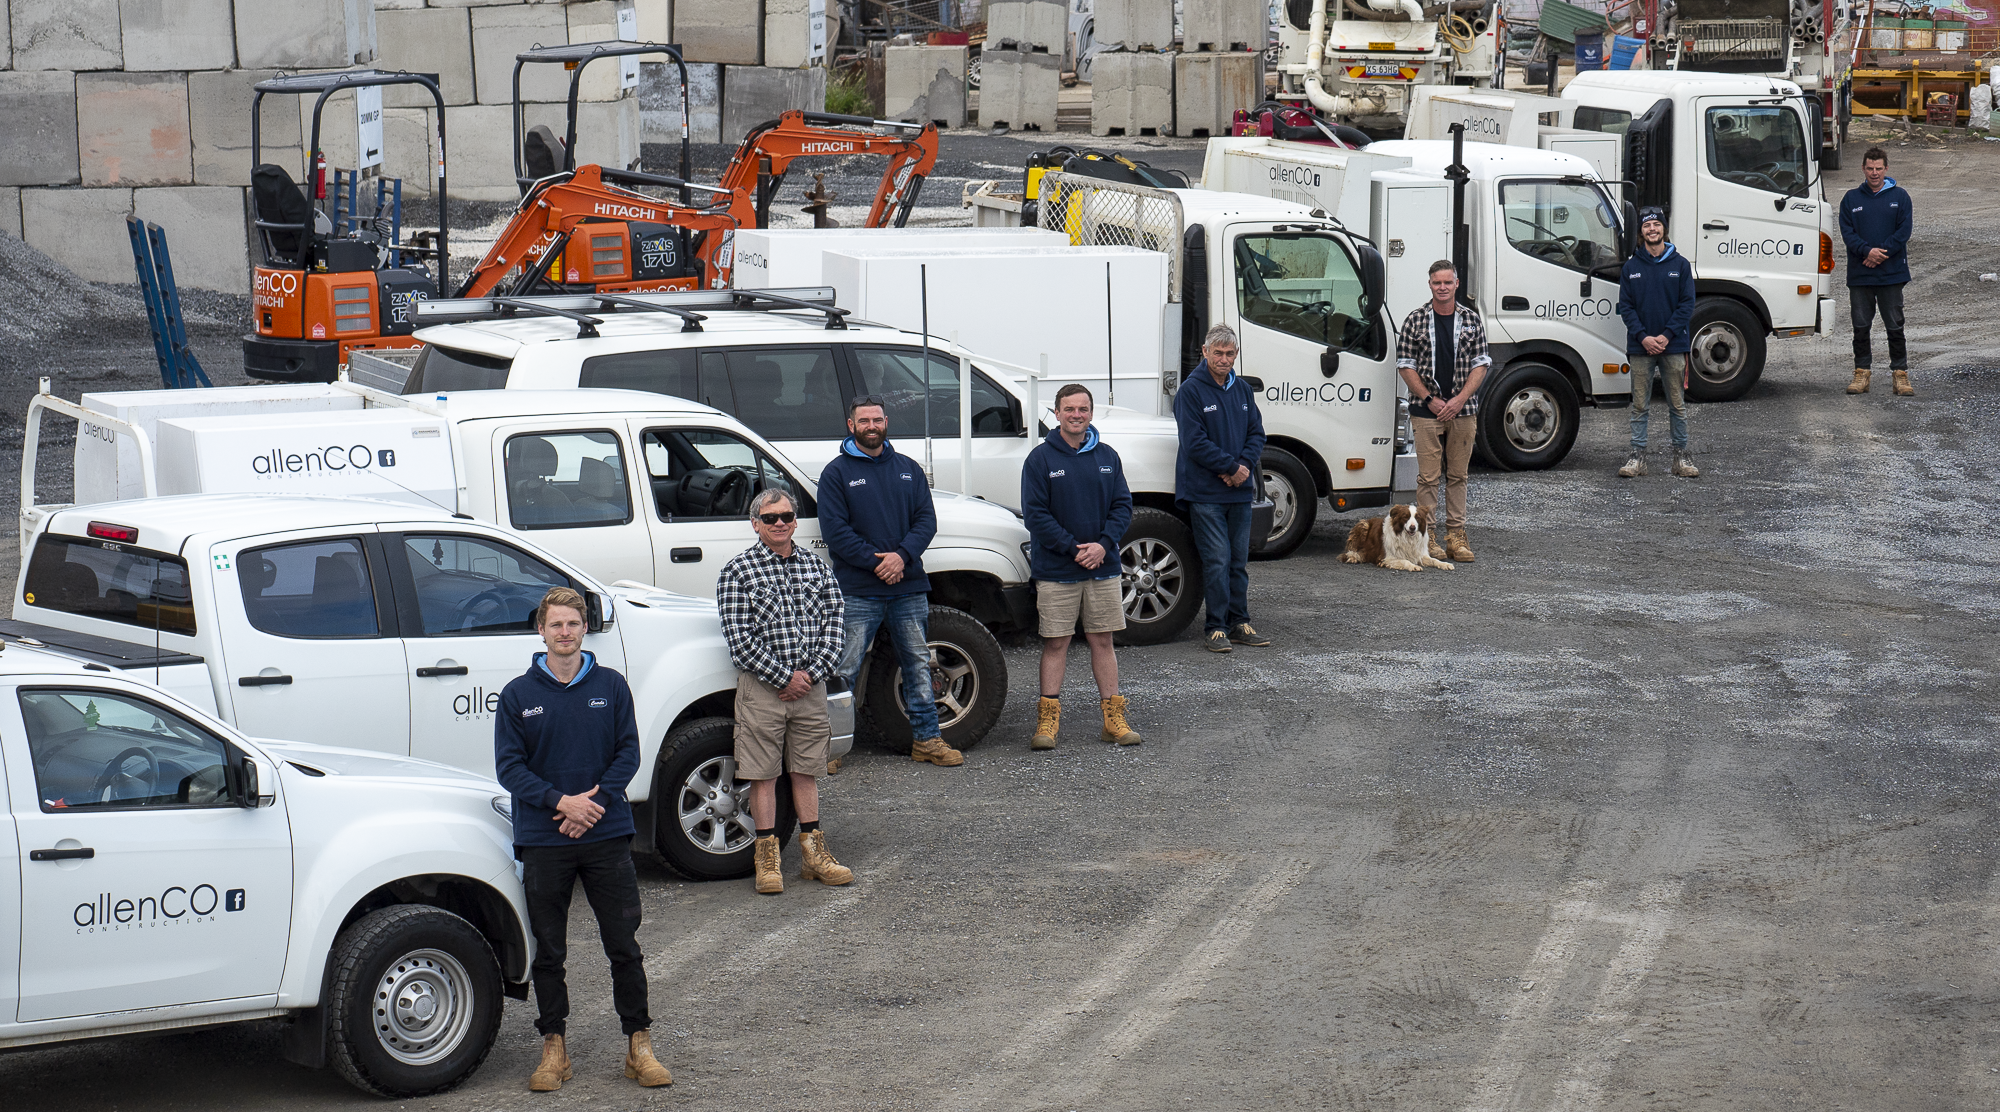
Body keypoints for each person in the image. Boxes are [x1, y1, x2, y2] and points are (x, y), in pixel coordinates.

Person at [494, 587, 672, 1093]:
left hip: (606, 834)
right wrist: (560, 802)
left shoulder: (612, 686)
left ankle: (639, 1044)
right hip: (544, 838)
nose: (565, 633)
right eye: (556, 625)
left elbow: (628, 754)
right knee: (549, 950)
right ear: (541, 630)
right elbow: (510, 768)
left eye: (573, 624)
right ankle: (554, 1047)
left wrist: (590, 807)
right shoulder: (517, 695)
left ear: (584, 629)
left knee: (624, 945)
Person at [715, 489, 854, 895]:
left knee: (806, 769)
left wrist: (810, 674)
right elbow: (739, 639)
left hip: (809, 687)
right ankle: (767, 858)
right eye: (770, 517)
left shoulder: (817, 566)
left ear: (796, 521)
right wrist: (783, 677)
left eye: (787, 516)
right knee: (762, 774)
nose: (779, 523)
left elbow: (835, 623)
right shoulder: (738, 571)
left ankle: (814, 853)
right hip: (762, 689)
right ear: (755, 523)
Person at [819, 395, 963, 767]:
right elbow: (836, 532)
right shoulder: (836, 474)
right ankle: (829, 748)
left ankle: (928, 740)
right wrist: (877, 563)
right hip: (858, 590)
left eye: (877, 420)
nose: (871, 426)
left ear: (886, 422)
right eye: (864, 420)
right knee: (844, 668)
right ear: (851, 425)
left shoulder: (908, 469)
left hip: (908, 586)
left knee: (917, 663)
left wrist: (901, 557)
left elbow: (925, 521)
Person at [1021, 383, 1140, 749]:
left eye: (1083, 409)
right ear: (1056, 414)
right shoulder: (1040, 460)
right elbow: (1035, 515)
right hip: (1058, 571)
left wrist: (1103, 546)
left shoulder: (1107, 456)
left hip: (1102, 568)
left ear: (1091, 413)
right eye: (1069, 409)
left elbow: (1123, 506)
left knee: (1102, 640)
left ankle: (1113, 719)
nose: (1076, 415)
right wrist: (1074, 550)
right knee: (1056, 643)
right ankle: (1047, 722)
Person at [1174, 324, 1271, 654]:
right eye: (1218, 353)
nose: (1224, 359)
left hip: (1239, 493)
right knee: (1216, 560)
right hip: (1205, 494)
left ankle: (1239, 622)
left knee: (1237, 563)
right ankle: (1215, 628)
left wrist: (1243, 466)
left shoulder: (1243, 390)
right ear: (1205, 352)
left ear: (1236, 354)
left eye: (1230, 354)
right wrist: (1231, 468)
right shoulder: (1191, 391)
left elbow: (1257, 434)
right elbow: (1193, 442)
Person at [1395, 260, 1490, 564]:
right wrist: (1429, 398)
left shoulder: (1472, 321)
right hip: (1427, 412)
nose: (1443, 287)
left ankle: (1457, 538)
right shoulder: (1416, 320)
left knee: (1459, 476)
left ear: (1457, 284)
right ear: (1430, 284)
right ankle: (1428, 537)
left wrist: (1459, 400)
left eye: (1448, 282)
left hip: (1463, 410)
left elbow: (1481, 364)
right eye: (1437, 283)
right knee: (1428, 478)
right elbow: (1405, 365)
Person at [1615, 207, 1701, 479]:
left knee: (1677, 405)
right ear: (1641, 232)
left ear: (1664, 228)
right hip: (1641, 347)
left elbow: (1687, 305)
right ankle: (1637, 457)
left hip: (1673, 346)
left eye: (1656, 225)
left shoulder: (1681, 265)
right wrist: (1644, 337)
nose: (1652, 229)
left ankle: (1682, 457)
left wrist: (1666, 336)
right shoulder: (1631, 267)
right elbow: (1625, 307)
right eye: (1647, 226)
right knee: (1640, 405)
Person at [1839, 147, 1915, 396]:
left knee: (1895, 325)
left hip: (1891, 274)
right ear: (1863, 169)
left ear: (1886, 169)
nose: (1874, 173)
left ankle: (1900, 375)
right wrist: (1866, 252)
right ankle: (1862, 374)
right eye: (1870, 168)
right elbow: (1848, 234)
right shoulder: (1850, 199)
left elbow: (1903, 232)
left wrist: (1879, 254)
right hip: (1861, 276)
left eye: (1879, 168)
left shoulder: (1900, 197)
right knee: (1860, 326)